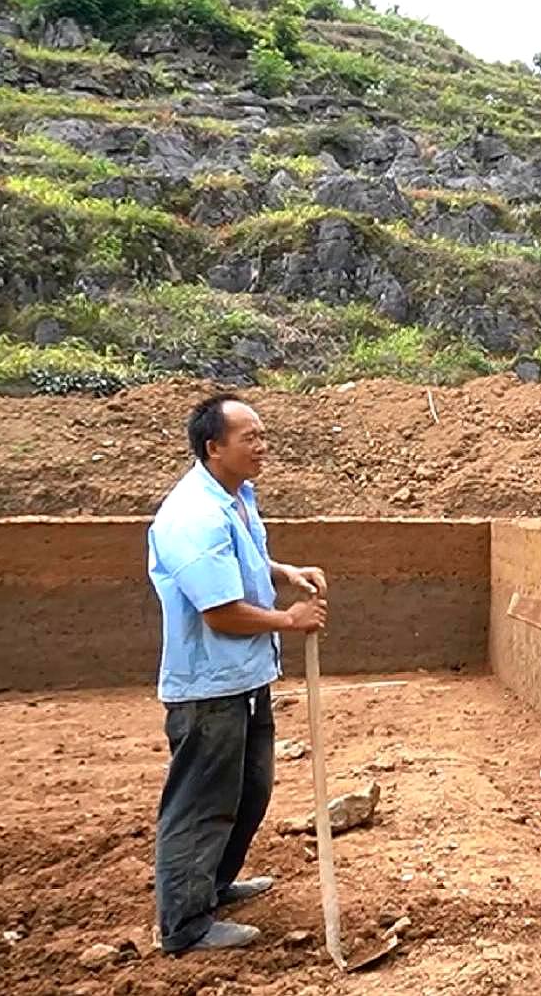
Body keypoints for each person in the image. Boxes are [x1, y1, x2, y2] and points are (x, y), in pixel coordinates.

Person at [148, 394, 329, 953]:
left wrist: (283, 570)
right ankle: (184, 925)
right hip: (209, 688)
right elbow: (220, 613)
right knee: (201, 802)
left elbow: (245, 556)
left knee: (250, 789)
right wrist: (289, 619)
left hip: (246, 679)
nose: (261, 446)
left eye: (262, 435)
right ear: (213, 447)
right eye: (249, 437)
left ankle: (214, 884)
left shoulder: (235, 498)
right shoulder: (193, 517)